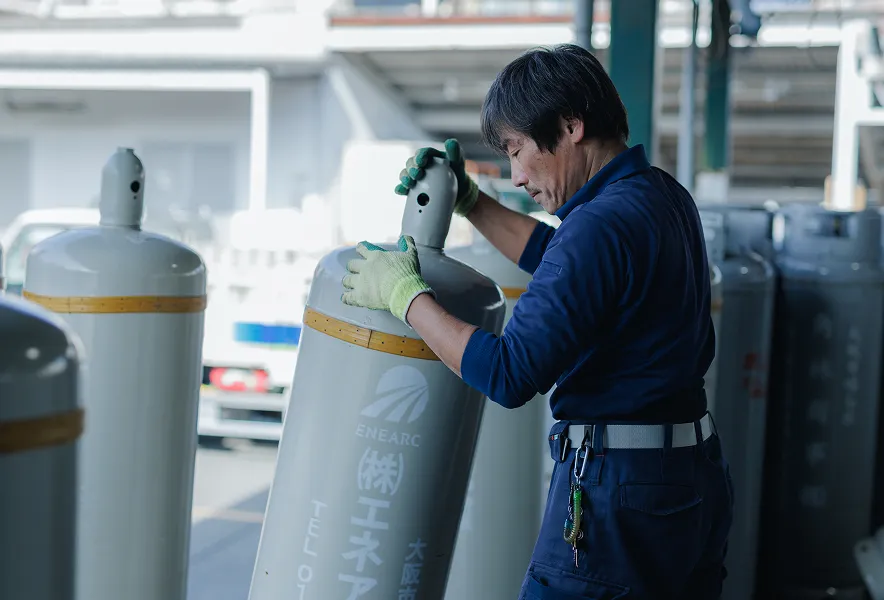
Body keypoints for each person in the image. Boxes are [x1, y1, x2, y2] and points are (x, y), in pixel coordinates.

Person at [340, 43, 733, 599]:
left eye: (518, 149)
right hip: (689, 479)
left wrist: (404, 295)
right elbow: (563, 260)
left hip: (621, 497)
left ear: (571, 125)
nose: (517, 174)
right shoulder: (661, 196)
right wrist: (471, 201)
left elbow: (508, 374)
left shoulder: (598, 226)